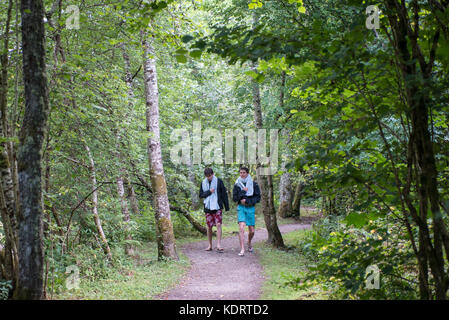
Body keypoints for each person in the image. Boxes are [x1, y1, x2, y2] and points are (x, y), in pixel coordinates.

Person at [199, 167, 229, 252]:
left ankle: (219, 244)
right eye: (207, 176)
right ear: (205, 176)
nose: (209, 177)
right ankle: (210, 245)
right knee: (209, 226)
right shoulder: (203, 183)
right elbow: (201, 195)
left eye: (210, 175)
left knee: (218, 224)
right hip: (208, 207)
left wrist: (226, 206)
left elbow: (224, 194)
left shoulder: (219, 181)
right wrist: (209, 192)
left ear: (213, 174)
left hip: (217, 206)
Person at [232, 166, 261, 256]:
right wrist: (243, 192)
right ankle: (242, 249)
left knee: (252, 231)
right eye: (240, 173)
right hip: (241, 208)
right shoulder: (237, 184)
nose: (242, 174)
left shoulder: (254, 184)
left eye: (244, 172)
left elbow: (258, 198)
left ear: (247, 173)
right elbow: (234, 198)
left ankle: (249, 242)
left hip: (250, 207)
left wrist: (247, 201)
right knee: (241, 228)